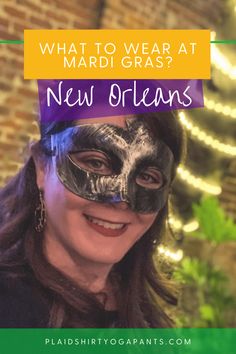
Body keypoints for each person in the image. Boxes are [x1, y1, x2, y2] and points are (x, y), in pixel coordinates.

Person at [0, 111, 185, 328]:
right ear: (42, 165)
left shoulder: (145, 321)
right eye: (96, 163)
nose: (121, 199)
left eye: (146, 176)